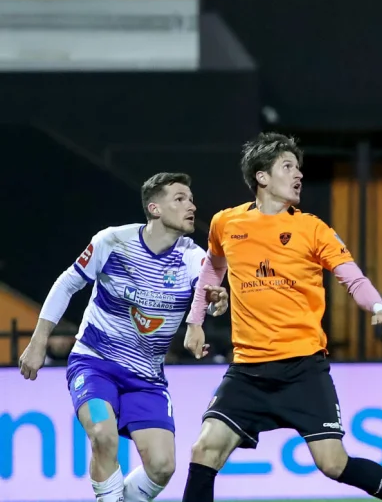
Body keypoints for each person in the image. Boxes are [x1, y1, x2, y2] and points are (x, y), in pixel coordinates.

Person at [178, 132, 382, 502]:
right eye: (288, 166)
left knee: (333, 464)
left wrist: (380, 307)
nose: (298, 174)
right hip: (247, 370)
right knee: (204, 450)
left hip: (302, 369)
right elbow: (212, 270)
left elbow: (352, 277)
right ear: (262, 177)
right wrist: (195, 321)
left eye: (299, 167)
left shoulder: (312, 228)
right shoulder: (225, 223)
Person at [18, 172, 228, 502]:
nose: (192, 205)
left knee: (162, 466)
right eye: (180, 198)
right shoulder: (113, 242)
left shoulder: (191, 257)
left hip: (146, 379)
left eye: (191, 198)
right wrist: (38, 341)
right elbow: (67, 283)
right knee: (102, 434)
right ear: (155, 208)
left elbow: (209, 295)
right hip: (95, 366)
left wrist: (216, 305)